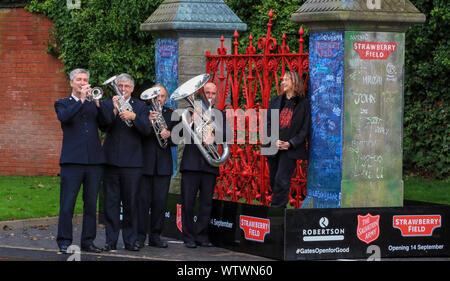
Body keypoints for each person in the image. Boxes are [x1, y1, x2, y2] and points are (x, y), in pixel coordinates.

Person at [54, 68, 105, 254]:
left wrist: (98, 104)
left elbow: (107, 124)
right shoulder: (62, 103)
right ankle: (64, 240)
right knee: (68, 203)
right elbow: (64, 118)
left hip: (94, 162)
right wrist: (82, 100)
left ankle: (88, 241)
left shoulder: (94, 104)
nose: (82, 82)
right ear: (71, 83)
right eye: (79, 79)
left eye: (85, 79)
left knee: (91, 204)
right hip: (72, 162)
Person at [99, 73, 151, 251]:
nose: (122, 89)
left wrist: (134, 117)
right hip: (111, 162)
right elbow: (103, 126)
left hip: (133, 163)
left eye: (126, 86)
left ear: (132, 88)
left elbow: (146, 131)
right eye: (120, 86)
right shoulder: (108, 103)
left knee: (131, 203)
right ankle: (110, 241)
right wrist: (114, 110)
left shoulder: (141, 107)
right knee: (111, 204)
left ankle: (130, 241)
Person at [179, 82, 226, 248]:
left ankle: (201, 236)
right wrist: (191, 122)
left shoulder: (220, 114)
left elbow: (225, 134)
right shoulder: (189, 111)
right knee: (188, 202)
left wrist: (213, 136)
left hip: (209, 164)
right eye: (207, 93)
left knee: (206, 203)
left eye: (213, 93)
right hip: (191, 164)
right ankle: (189, 237)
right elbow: (178, 135)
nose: (210, 96)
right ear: (202, 93)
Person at [137, 85, 176, 248]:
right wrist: (149, 121)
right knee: (142, 203)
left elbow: (179, 138)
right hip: (144, 164)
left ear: (166, 98)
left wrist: (170, 135)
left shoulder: (172, 114)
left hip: (163, 166)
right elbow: (139, 133)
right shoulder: (142, 112)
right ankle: (139, 237)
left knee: (160, 203)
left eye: (162, 96)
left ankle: (155, 236)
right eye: (156, 96)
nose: (159, 99)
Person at [265, 71, 310, 208]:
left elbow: (305, 129)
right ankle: (280, 208)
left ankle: (276, 213)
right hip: (273, 146)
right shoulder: (275, 101)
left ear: (294, 82)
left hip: (289, 150)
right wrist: (274, 140)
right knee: (273, 181)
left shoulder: (304, 104)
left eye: (286, 80)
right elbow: (267, 123)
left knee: (281, 180)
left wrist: (291, 143)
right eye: (282, 80)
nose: (283, 82)